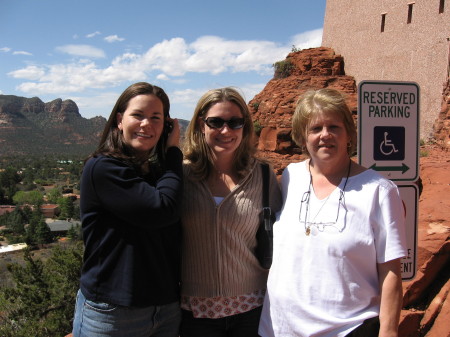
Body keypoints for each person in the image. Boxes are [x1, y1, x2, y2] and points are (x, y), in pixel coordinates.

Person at [259, 88, 407, 337]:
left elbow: (391, 270)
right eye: (315, 128)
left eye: (334, 127)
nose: (325, 135)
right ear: (302, 137)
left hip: (347, 329)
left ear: (348, 134)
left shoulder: (380, 191)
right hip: (278, 328)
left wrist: (389, 330)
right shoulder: (291, 177)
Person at [72, 82, 183, 337]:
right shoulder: (103, 169)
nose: (147, 124)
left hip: (165, 309)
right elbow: (162, 210)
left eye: (156, 118)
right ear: (120, 120)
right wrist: (173, 151)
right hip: (112, 314)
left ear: (165, 126)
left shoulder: (158, 173)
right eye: (138, 115)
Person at [180, 87, 282, 337]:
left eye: (235, 122)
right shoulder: (180, 176)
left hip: (252, 308)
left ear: (245, 127)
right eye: (216, 122)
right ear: (201, 125)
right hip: (194, 311)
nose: (226, 131)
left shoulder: (262, 175)